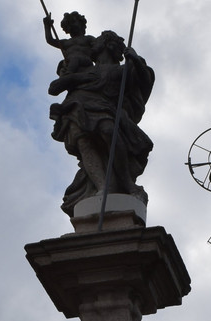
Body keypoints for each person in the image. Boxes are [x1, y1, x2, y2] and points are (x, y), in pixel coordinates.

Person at [48, 29, 154, 215]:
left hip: (106, 110)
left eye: (96, 41)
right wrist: (68, 76)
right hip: (78, 109)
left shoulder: (122, 70)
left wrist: (135, 60)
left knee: (109, 131)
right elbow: (54, 88)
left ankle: (127, 183)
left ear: (107, 44)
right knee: (84, 143)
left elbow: (144, 81)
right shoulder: (85, 70)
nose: (92, 44)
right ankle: (103, 186)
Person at [43, 11, 95, 76]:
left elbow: (99, 47)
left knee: (75, 58)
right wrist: (47, 26)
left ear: (81, 24)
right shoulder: (66, 42)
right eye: (69, 25)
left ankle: (68, 74)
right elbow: (50, 40)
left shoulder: (88, 38)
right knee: (67, 62)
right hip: (70, 62)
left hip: (85, 60)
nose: (72, 26)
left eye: (74, 23)